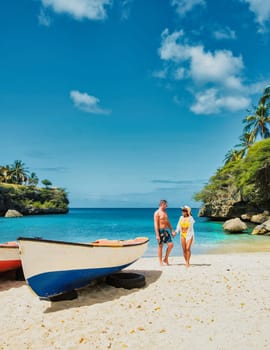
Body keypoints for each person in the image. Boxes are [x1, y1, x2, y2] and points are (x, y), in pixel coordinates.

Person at [154, 200, 175, 265]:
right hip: (160, 230)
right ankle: (160, 261)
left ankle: (165, 259)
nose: (167, 206)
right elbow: (156, 224)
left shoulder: (165, 212)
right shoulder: (157, 213)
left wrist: (172, 230)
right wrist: (157, 235)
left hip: (165, 231)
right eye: (166, 205)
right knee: (160, 246)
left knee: (171, 245)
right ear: (162, 204)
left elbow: (167, 222)